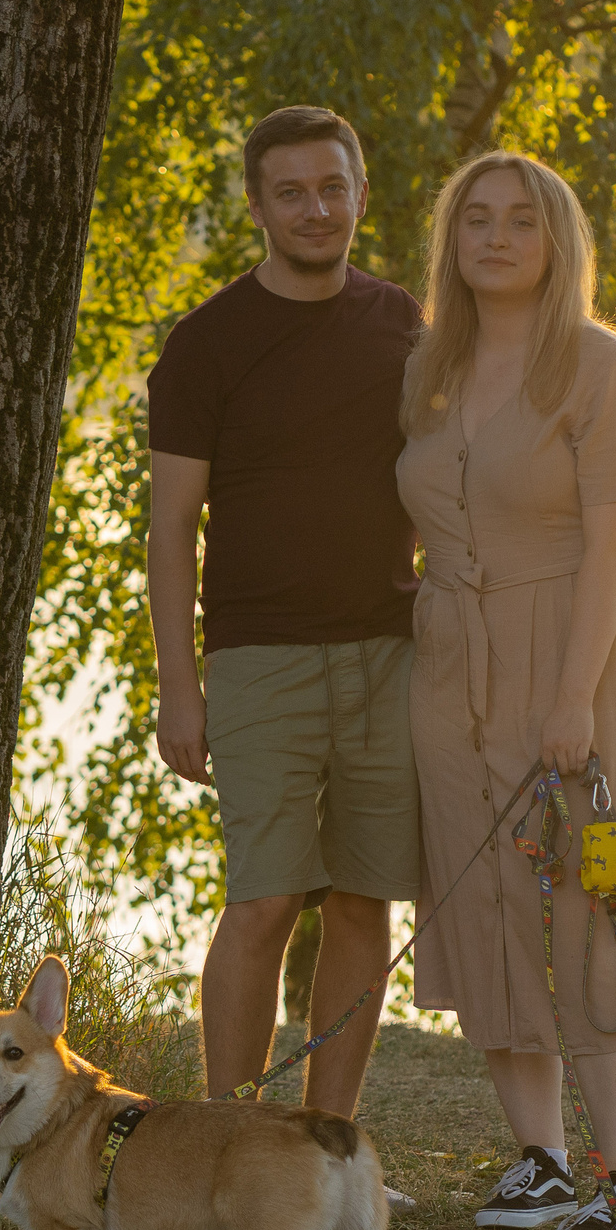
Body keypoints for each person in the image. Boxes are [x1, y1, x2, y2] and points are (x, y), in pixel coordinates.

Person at [398, 149, 616, 1230]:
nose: (498, 237)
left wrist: (571, 700)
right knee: (487, 906)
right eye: (476, 219)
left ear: (557, 241)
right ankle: (538, 1156)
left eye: (523, 220)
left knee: (594, 909)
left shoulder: (600, 368)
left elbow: (611, 548)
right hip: (451, 672)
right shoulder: (425, 367)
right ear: (451, 240)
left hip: (582, 658)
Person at [146, 105, 422, 1131]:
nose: (317, 209)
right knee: (263, 900)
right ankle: (230, 1134)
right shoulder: (207, 344)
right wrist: (182, 685)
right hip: (259, 661)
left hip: (390, 656)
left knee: (363, 899)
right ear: (258, 205)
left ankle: (326, 1134)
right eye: (292, 192)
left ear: (359, 193)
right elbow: (172, 529)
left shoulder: (404, 324)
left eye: (333, 187)